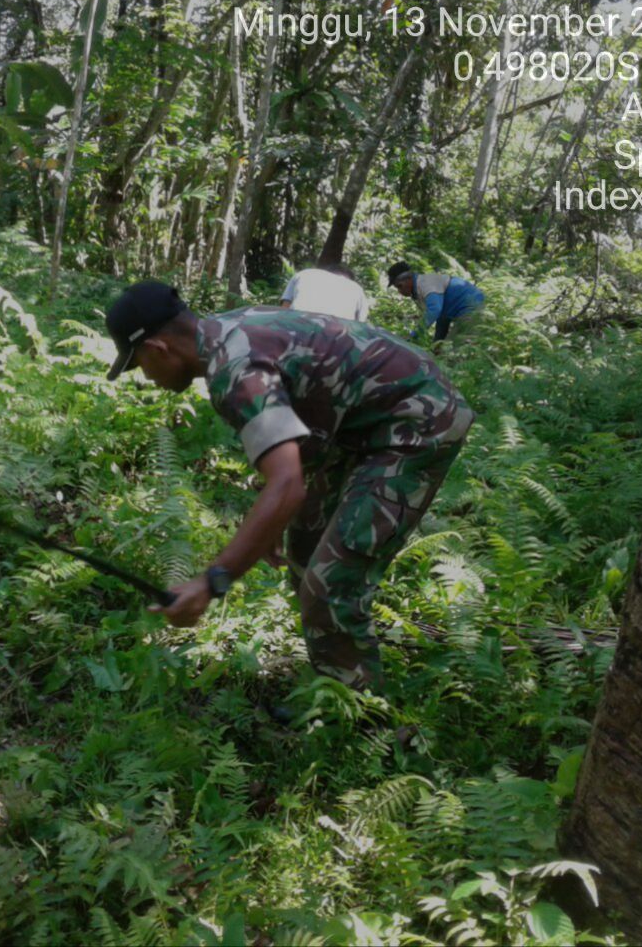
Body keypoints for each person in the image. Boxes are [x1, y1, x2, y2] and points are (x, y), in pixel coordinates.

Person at [104, 281, 473, 692]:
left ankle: (356, 714)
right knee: (305, 550)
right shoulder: (227, 330)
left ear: (158, 348)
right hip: (366, 422)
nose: (146, 376)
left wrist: (210, 583)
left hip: (419, 420)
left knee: (330, 583)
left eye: (138, 365)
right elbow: (295, 441)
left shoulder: (235, 370)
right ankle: (331, 680)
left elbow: (287, 484)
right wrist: (274, 517)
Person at [386, 261, 485, 342]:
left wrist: (413, 336)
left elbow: (434, 310)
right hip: (464, 308)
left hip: (471, 305)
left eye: (400, 286)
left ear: (409, 279)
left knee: (455, 346)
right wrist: (437, 343)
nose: (400, 291)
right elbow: (442, 318)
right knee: (445, 349)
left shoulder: (425, 284)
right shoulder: (418, 290)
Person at [279, 263, 370, 323]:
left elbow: (283, 311)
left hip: (296, 326)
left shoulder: (304, 274)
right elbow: (360, 327)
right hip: (334, 337)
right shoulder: (357, 289)